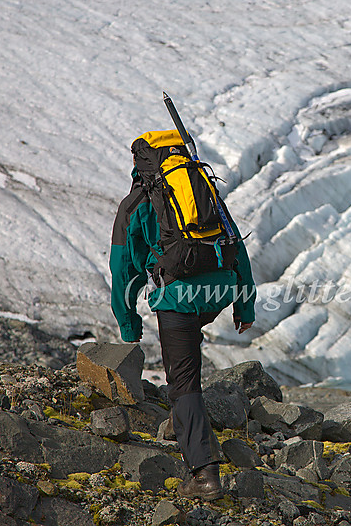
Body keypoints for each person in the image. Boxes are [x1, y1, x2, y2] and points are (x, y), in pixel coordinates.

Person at [109, 136, 256, 501]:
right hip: (219, 292)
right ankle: (182, 422)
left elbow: (122, 266)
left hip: (179, 296)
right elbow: (237, 245)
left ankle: (204, 474)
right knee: (189, 337)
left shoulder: (139, 201)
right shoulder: (204, 189)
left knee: (183, 382)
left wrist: (128, 324)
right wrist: (244, 305)